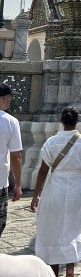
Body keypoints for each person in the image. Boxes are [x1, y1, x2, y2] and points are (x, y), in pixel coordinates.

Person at [30, 107, 81, 277]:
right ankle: (70, 271)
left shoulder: (52, 142)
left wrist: (36, 194)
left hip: (55, 189)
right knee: (72, 229)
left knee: (54, 230)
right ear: (76, 122)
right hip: (75, 189)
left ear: (61, 121)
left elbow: (43, 171)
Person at [0, 82, 22, 237]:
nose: (10, 101)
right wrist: (18, 184)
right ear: (4, 98)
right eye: (9, 98)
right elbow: (16, 156)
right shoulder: (10, 121)